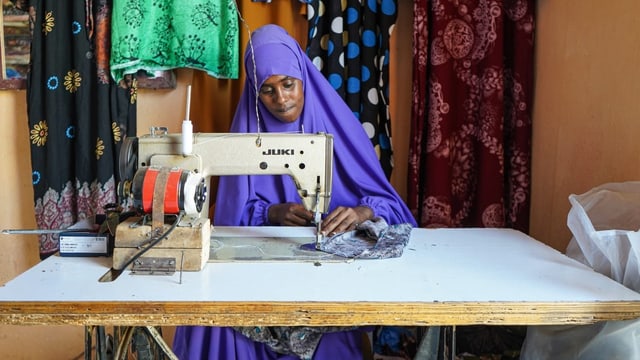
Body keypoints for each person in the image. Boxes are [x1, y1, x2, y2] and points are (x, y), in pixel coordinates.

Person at [172, 24, 417, 360]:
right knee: (217, 323)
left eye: (288, 84)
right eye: (267, 90)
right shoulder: (245, 131)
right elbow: (227, 218)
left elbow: (393, 208)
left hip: (329, 281)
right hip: (262, 276)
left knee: (331, 338)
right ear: (255, 92)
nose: (281, 99)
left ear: (302, 75)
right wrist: (270, 213)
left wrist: (363, 212)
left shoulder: (339, 126)